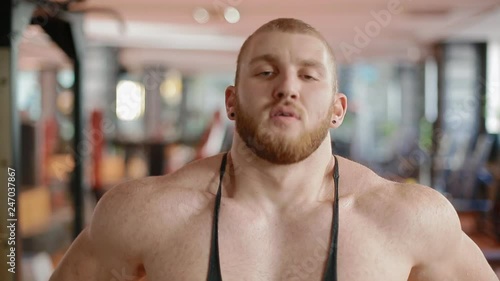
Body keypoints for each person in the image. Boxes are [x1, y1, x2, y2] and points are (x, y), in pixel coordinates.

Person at [49, 18, 498, 281]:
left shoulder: (408, 218)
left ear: (338, 109)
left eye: (308, 75)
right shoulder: (145, 213)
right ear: (231, 100)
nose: (287, 87)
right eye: (265, 73)